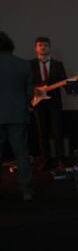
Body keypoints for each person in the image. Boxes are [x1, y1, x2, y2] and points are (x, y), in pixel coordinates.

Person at [0, 31, 34, 200]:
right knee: (21, 153)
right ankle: (26, 190)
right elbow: (29, 93)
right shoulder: (24, 65)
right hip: (18, 115)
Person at [30, 37, 67, 170]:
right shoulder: (30, 65)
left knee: (58, 132)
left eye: (45, 45)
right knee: (42, 134)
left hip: (54, 103)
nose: (43, 47)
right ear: (36, 48)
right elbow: (27, 84)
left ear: (49, 47)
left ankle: (60, 160)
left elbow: (64, 83)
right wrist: (35, 92)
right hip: (39, 104)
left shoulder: (58, 64)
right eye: (40, 45)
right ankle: (46, 161)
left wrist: (73, 85)